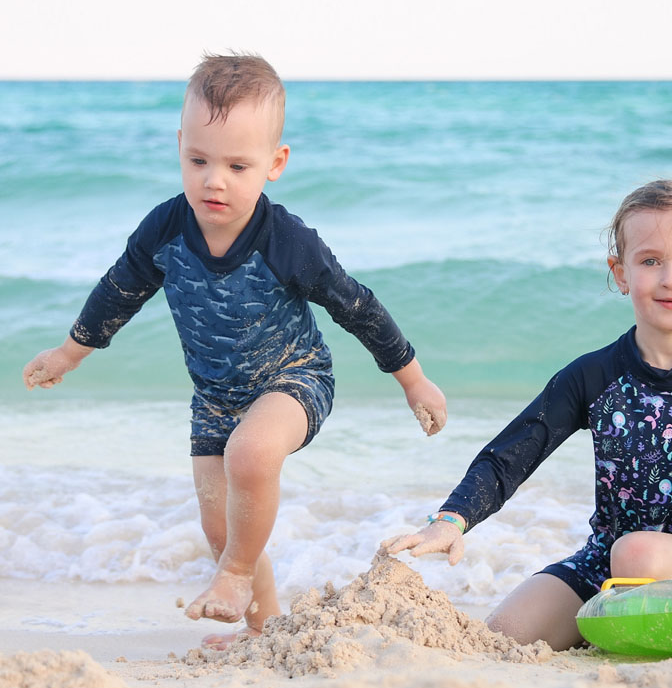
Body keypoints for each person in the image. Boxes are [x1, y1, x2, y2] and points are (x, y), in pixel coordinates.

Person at [23, 52, 447, 649]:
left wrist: (413, 379)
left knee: (251, 456)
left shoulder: (288, 242)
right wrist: (71, 352)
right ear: (179, 147)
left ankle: (238, 577)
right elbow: (119, 289)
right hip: (215, 398)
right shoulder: (165, 229)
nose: (213, 180)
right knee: (220, 526)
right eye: (198, 160)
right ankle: (262, 626)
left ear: (274, 164)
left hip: (294, 379)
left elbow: (357, 305)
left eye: (237, 165)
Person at [384, 179, 672, 651]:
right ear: (621, 273)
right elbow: (513, 453)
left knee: (638, 551)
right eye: (650, 260)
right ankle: (620, 622)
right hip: (606, 566)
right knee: (502, 638)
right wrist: (451, 520)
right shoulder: (592, 376)